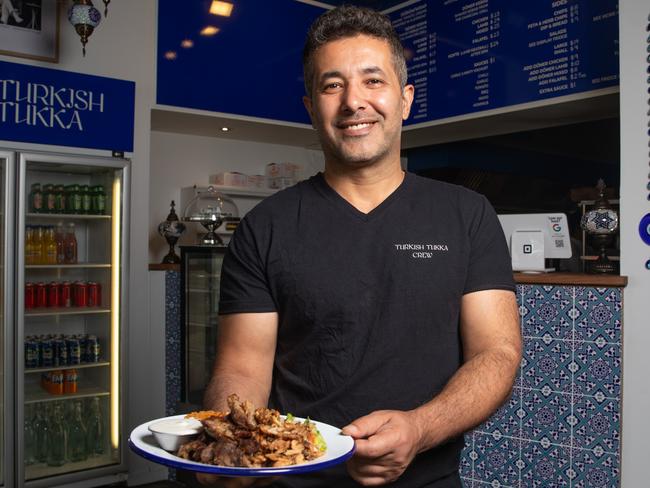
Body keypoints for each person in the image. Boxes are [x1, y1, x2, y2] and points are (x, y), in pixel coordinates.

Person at [198, 5, 521, 487]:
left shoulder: (468, 215)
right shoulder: (264, 227)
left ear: (405, 99)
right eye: (332, 85)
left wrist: (420, 428)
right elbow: (242, 368)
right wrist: (229, 444)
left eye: (373, 80)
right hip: (295, 480)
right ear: (311, 107)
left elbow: (496, 353)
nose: (354, 102)